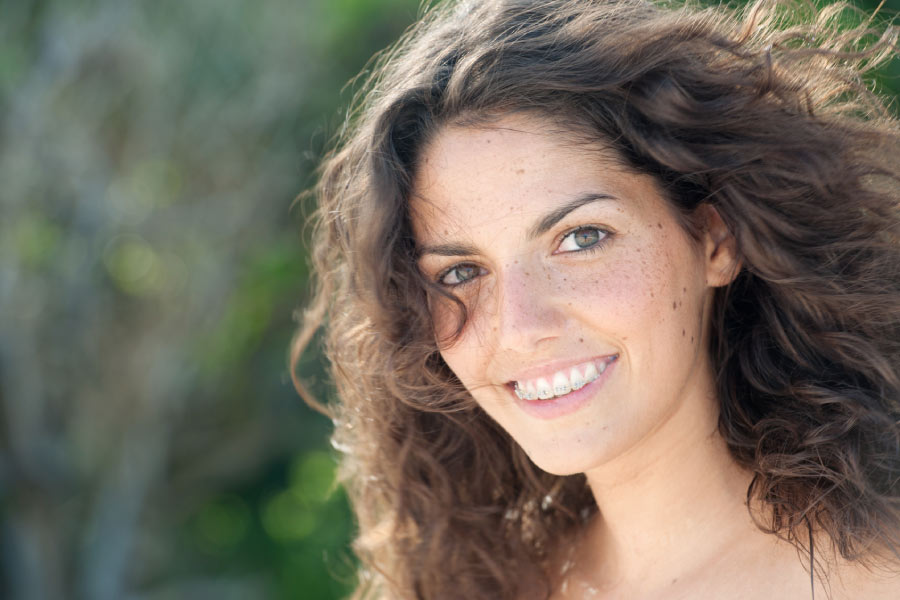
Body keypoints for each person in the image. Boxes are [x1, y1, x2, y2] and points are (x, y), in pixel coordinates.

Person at [291, 0, 900, 598]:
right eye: (459, 273)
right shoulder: (471, 587)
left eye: (581, 239)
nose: (520, 327)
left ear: (715, 239)